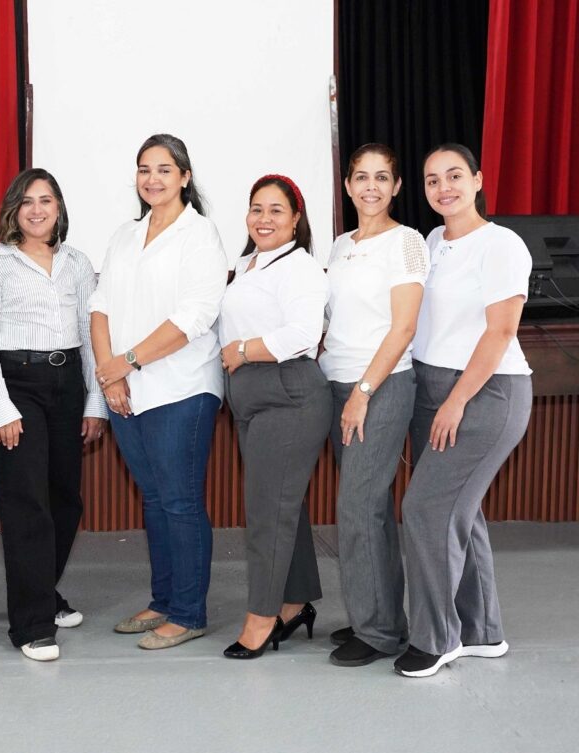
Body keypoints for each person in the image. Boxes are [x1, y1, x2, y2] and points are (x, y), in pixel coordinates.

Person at [394, 143, 532, 678]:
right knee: (461, 511)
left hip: (485, 392)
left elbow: (500, 332)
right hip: (433, 386)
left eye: (454, 176)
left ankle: (436, 639)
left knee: (426, 509)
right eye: (432, 180)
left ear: (477, 180)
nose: (443, 187)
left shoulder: (501, 245)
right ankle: (481, 631)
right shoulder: (431, 241)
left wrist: (456, 401)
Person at [90, 133, 227, 650]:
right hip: (126, 390)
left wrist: (125, 362)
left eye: (165, 169)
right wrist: (111, 374)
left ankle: (189, 613)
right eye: (144, 169)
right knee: (154, 499)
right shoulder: (125, 235)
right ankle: (164, 600)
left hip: (182, 387)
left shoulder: (201, 235)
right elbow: (100, 306)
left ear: (185, 177)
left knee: (180, 500)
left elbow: (195, 316)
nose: (153, 179)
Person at [0, 168, 107, 661]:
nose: (37, 209)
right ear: (13, 209)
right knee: (27, 503)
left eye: (46, 200)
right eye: (27, 201)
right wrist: (0, 405)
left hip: (67, 383)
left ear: (59, 208)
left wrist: (95, 401)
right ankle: (31, 624)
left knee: (65, 501)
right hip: (14, 383)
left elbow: (90, 334)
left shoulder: (77, 263)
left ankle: (42, 591)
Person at [319, 144, 429, 667]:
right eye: (361, 177)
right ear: (347, 185)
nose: (371, 187)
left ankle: (379, 632)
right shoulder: (340, 244)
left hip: (380, 386)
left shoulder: (407, 242)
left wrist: (363, 392)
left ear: (397, 186)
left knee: (358, 508)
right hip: (337, 384)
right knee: (372, 509)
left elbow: (403, 327)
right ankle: (381, 616)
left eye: (382, 177)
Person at [218, 174, 331, 660]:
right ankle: (294, 601)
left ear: (296, 219)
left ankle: (261, 618)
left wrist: (243, 350)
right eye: (256, 209)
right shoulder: (248, 264)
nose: (264, 219)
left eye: (276, 210)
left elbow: (304, 333)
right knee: (285, 505)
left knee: (268, 512)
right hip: (251, 396)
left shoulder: (300, 267)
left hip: (288, 393)